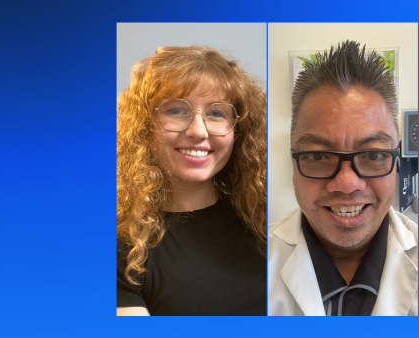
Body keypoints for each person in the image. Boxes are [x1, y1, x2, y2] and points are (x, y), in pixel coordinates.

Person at [268, 40, 418, 316]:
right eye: (317, 156)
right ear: (293, 165)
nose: (347, 184)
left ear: (396, 163)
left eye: (373, 156)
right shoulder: (250, 262)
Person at [116, 46, 267, 316]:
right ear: (144, 125)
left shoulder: (265, 223)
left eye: (216, 114)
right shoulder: (122, 249)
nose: (198, 131)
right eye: (176, 111)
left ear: (237, 130)